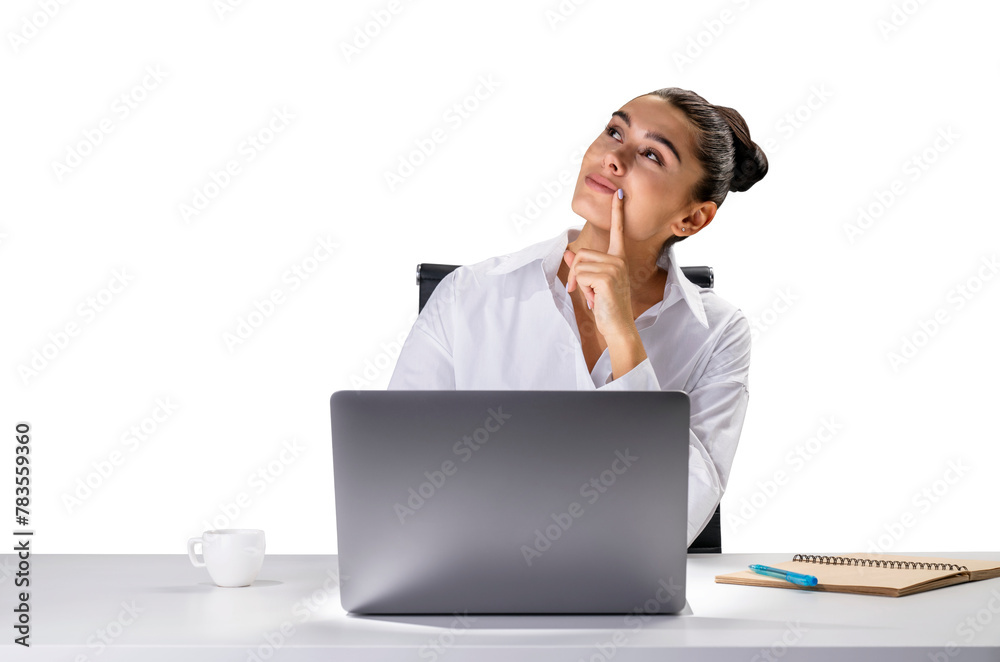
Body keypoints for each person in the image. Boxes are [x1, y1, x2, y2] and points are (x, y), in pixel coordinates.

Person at [387, 87, 769, 547]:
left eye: (651, 154)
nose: (614, 157)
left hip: (633, 606)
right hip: (471, 588)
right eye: (614, 132)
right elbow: (395, 489)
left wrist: (624, 338)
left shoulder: (718, 334)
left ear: (691, 218)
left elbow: (674, 522)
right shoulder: (469, 295)